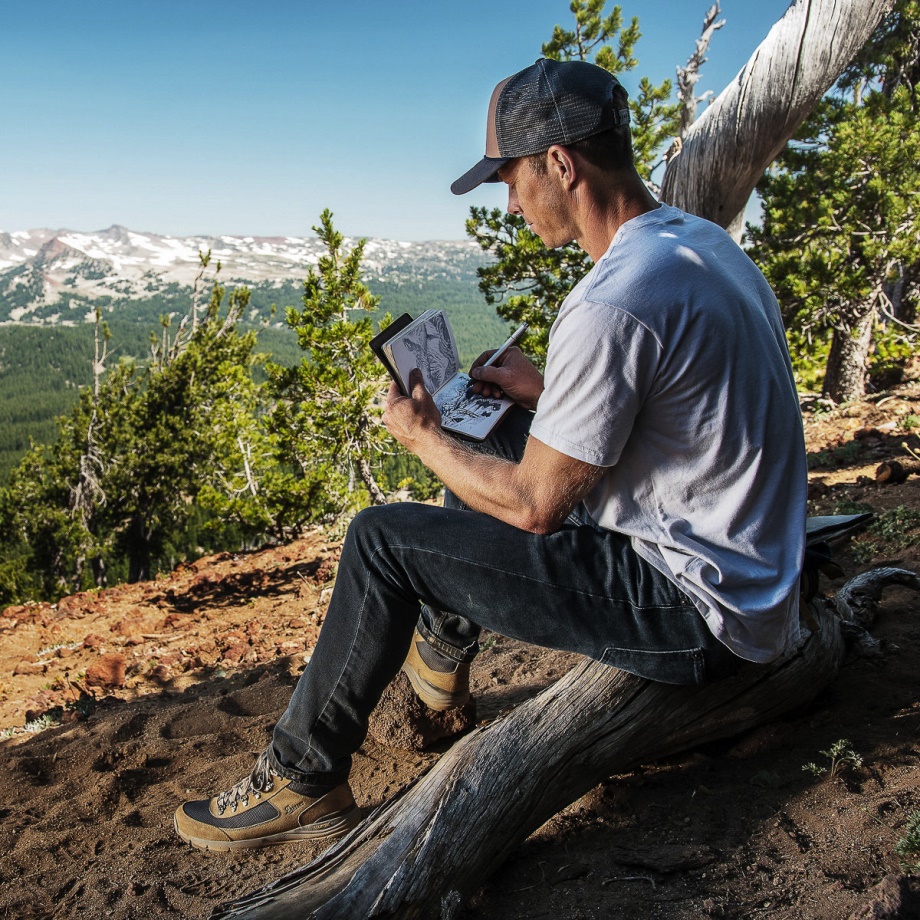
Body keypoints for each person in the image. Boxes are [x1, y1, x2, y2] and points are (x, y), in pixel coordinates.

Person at [174, 58, 807, 853]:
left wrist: (422, 435)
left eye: (510, 181)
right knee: (497, 426)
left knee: (380, 539)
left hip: (698, 610)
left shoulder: (614, 299)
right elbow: (680, 417)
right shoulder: (695, 245)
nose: (509, 205)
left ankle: (303, 777)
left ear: (561, 164)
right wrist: (542, 393)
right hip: (741, 563)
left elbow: (536, 508)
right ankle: (439, 659)